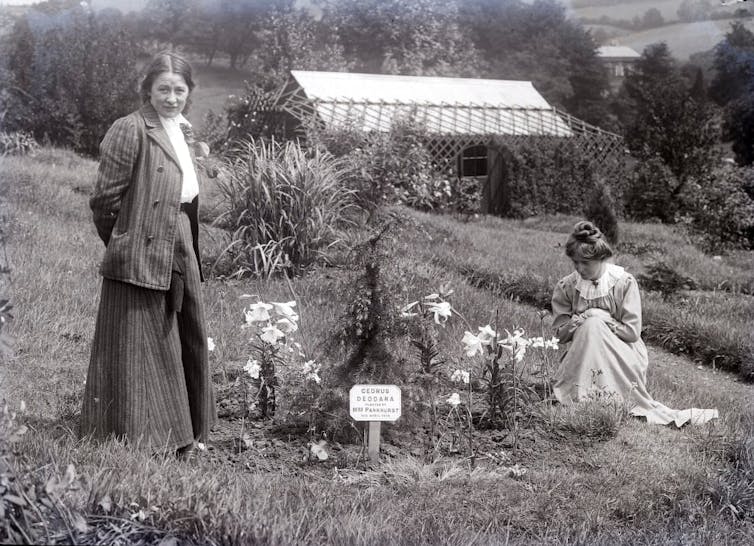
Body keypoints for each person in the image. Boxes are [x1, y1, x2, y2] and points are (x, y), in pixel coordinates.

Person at [82, 51, 216, 457]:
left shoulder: (181, 129)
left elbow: (186, 192)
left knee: (186, 332)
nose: (171, 97)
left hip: (180, 240)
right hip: (141, 245)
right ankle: (145, 437)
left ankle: (189, 433)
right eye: (163, 89)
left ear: (189, 93)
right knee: (140, 339)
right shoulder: (130, 129)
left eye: (179, 90)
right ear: (148, 90)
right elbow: (104, 201)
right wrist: (125, 242)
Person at [551, 221, 717, 426]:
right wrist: (580, 320)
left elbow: (631, 332)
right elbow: (559, 335)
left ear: (601, 258)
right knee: (591, 324)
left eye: (585, 263)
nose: (580, 268)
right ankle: (583, 392)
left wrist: (603, 318)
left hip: (622, 351)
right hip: (583, 355)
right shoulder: (567, 286)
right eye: (575, 263)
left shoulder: (623, 282)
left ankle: (606, 395)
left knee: (595, 323)